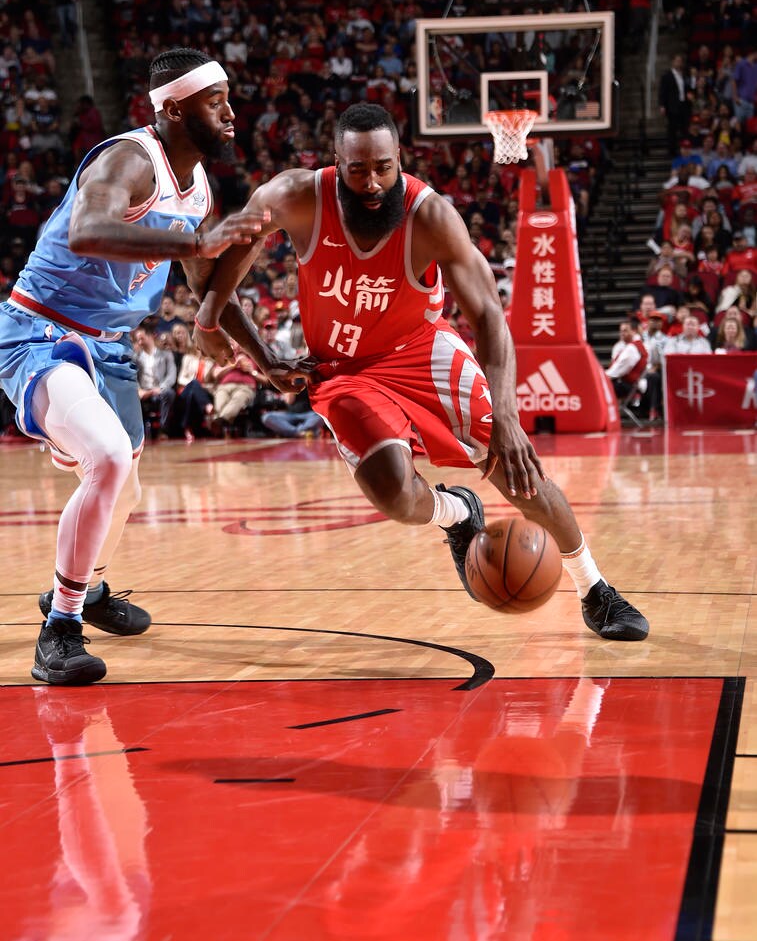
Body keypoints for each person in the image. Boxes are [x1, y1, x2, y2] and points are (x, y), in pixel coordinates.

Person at [195, 103, 649, 642]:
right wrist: (261, 355)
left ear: (399, 159)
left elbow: (488, 317)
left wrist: (508, 416)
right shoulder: (292, 197)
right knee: (392, 494)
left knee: (517, 467)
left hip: (420, 351)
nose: (372, 183)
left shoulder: (429, 215)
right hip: (342, 371)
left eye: (383, 167)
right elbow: (220, 276)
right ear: (335, 162)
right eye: (358, 169)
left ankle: (593, 587)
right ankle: (456, 514)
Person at [0, 47, 270, 685]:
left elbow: (209, 286)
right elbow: (87, 231)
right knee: (110, 460)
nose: (232, 113)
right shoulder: (129, 157)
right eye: (215, 102)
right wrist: (194, 241)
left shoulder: (198, 185)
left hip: (109, 346)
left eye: (229, 99)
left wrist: (266, 358)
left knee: (127, 488)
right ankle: (59, 630)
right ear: (174, 109)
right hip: (41, 330)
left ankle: (83, 590)